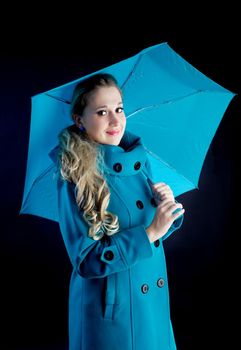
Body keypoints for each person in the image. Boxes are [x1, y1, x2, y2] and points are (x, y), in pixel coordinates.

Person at [49, 73, 185, 350]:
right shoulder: (74, 176)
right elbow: (86, 261)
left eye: (119, 109)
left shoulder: (138, 159)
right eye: (102, 112)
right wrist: (150, 232)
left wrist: (166, 210)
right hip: (112, 313)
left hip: (152, 306)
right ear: (79, 119)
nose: (115, 120)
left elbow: (152, 233)